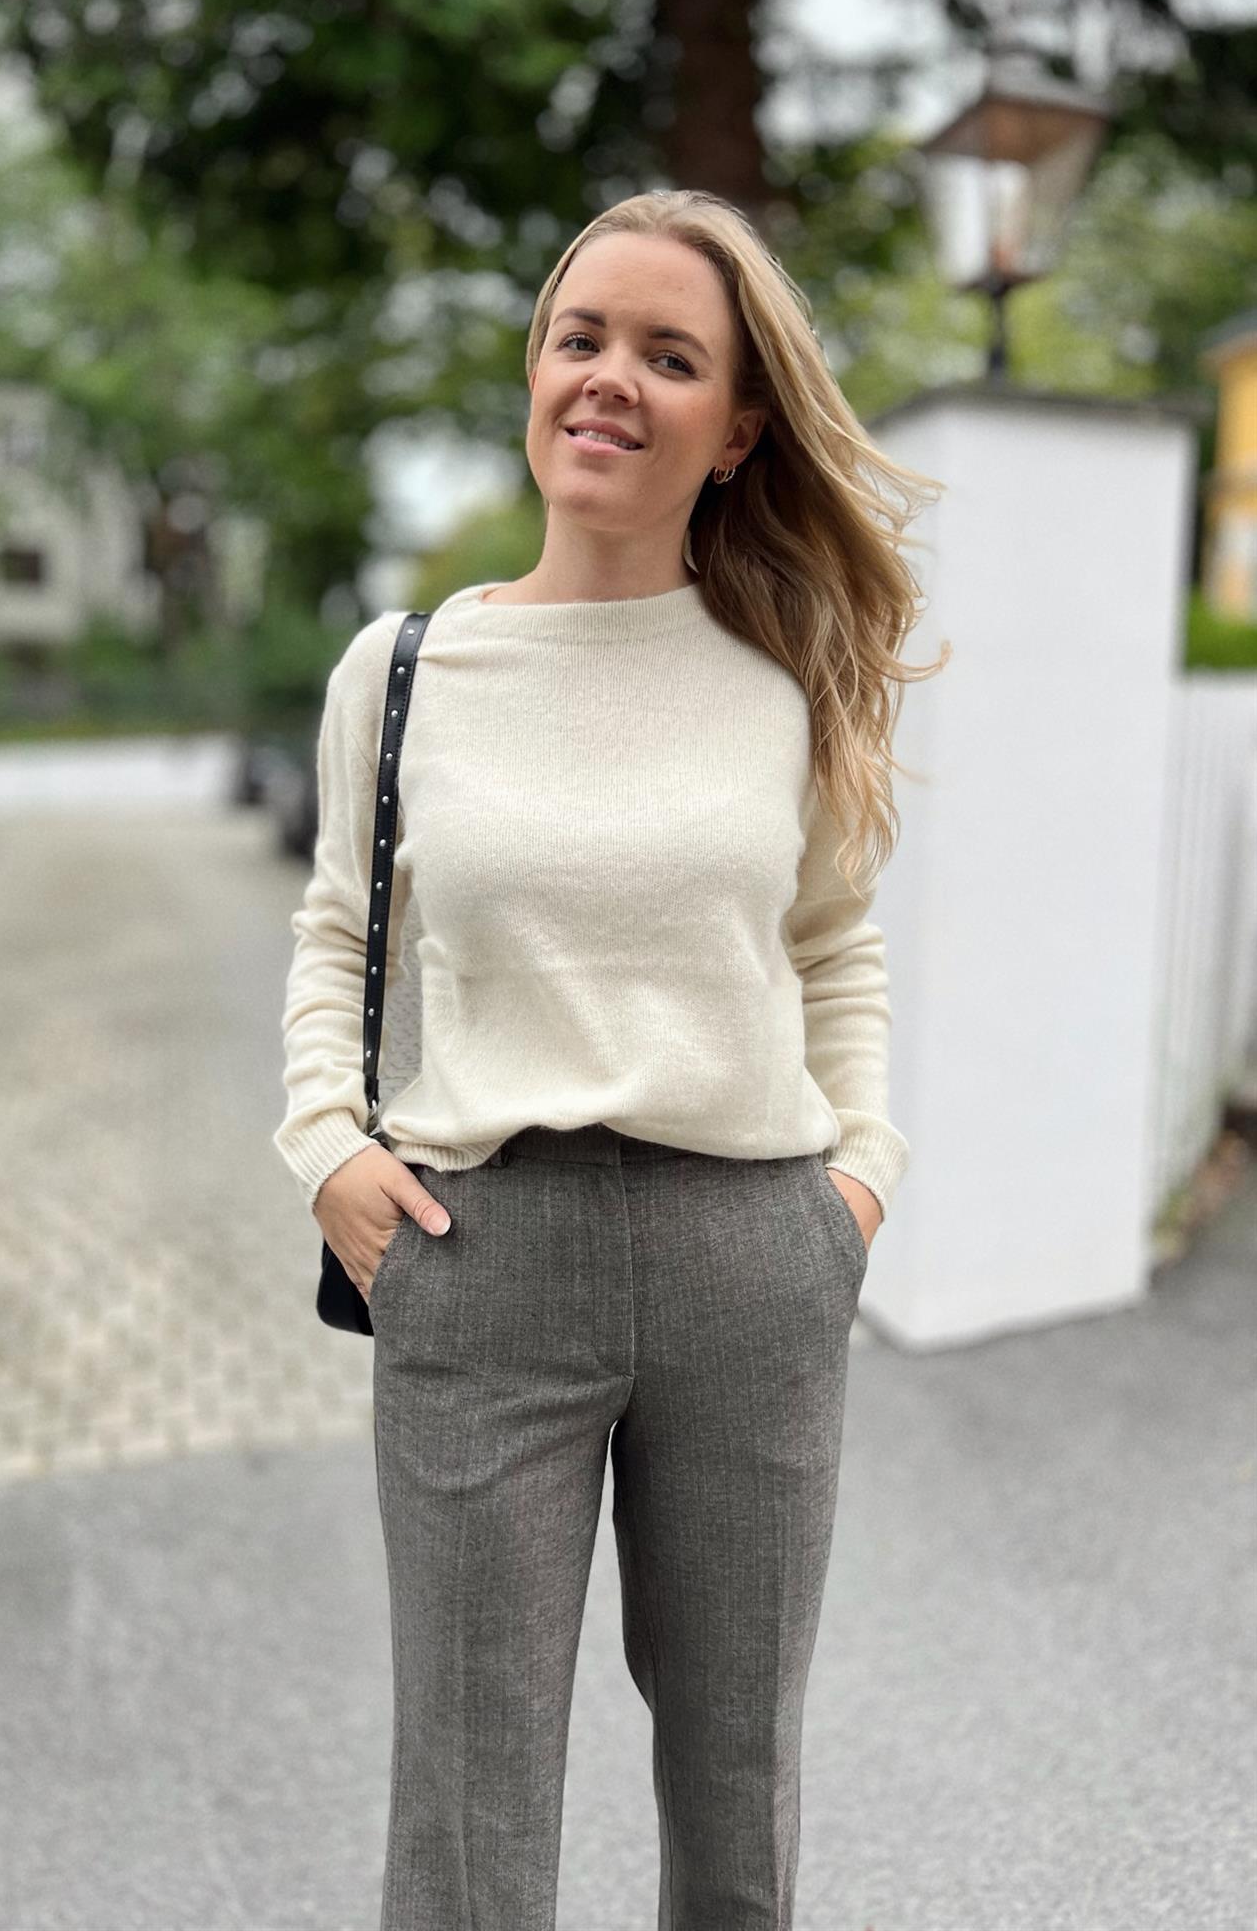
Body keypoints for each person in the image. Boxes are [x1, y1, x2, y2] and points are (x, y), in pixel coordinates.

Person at [272, 186, 950, 1931]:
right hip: (478, 1255)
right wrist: (326, 1144)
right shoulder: (405, 672)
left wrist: (860, 1184)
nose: (610, 380)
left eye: (670, 355)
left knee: (737, 1790)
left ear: (738, 430)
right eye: (581, 338)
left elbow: (836, 948)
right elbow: (340, 930)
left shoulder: (787, 679)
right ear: (534, 374)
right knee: (469, 1804)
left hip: (753, 1258)